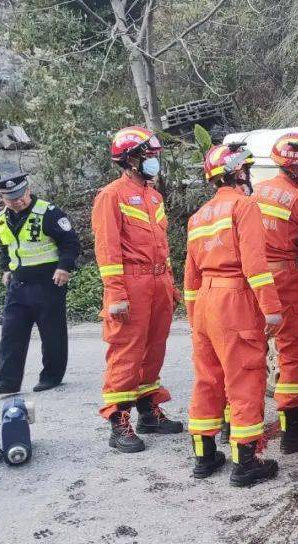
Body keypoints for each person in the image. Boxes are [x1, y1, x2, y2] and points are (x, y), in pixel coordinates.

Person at [184, 143, 284, 486]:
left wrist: (196, 316)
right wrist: (271, 309)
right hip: (235, 297)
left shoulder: (198, 217)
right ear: (238, 173)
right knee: (244, 377)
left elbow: (190, 277)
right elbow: (255, 266)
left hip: (205, 302)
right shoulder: (244, 206)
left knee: (208, 378)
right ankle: (245, 461)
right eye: (247, 170)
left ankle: (205, 455)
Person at [92, 126, 183, 453]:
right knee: (126, 353)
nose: (153, 162)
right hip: (131, 283)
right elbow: (108, 250)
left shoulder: (153, 196)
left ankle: (148, 411)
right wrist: (115, 294)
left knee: (153, 350)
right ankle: (118, 421)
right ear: (130, 159)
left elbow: (162, 246)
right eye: (148, 156)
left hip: (158, 282)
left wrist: (170, 287)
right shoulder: (110, 196)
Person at [252, 132, 298, 454]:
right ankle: (293, 430)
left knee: (248, 350)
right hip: (283, 276)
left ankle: (232, 426)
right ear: (295, 168)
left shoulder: (256, 192)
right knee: (293, 350)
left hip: (250, 278)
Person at [0, 171, 80, 395]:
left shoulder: (48, 212)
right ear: (3, 198)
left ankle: (51, 376)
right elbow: (5, 245)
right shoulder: (3, 215)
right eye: (11, 198)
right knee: (11, 333)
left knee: (52, 333)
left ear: (28, 190)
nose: (17, 200)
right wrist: (6, 268)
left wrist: (64, 267)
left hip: (48, 282)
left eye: (21, 195)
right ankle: (7, 381)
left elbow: (71, 242)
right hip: (18, 284)